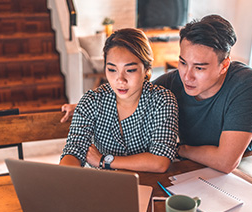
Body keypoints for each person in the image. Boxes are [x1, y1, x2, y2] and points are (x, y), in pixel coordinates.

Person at [61, 15, 252, 174]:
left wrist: (178, 149)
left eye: (199, 68)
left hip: (236, 176)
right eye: (183, 62)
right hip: (186, 172)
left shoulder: (245, 83)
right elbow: (132, 92)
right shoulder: (173, 82)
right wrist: (82, 106)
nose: (187, 76)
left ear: (224, 65)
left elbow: (226, 162)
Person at [60, 28, 179, 173]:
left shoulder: (162, 101)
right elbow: (74, 150)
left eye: (130, 70)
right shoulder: (92, 101)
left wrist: (104, 160)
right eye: (112, 69)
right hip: (105, 186)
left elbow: (160, 161)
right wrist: (64, 178)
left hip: (149, 184)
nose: (120, 80)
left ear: (146, 68)